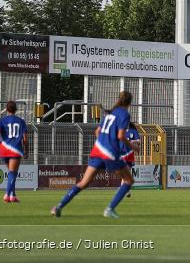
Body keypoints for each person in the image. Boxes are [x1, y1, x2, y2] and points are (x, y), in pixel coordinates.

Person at [51, 91, 135, 219]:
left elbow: (97, 132)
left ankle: (58, 207)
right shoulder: (124, 114)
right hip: (110, 152)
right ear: (129, 103)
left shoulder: (109, 113)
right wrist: (132, 146)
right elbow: (121, 136)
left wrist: (102, 143)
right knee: (129, 180)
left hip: (97, 150)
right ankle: (109, 209)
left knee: (83, 183)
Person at [0, 101, 28, 203]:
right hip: (15, 149)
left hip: (4, 148)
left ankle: (13, 195)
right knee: (13, 173)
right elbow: (25, 139)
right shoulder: (21, 121)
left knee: (10, 173)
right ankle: (7, 194)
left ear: (6, 109)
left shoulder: (2, 120)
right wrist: (27, 150)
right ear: (16, 109)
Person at [120, 122, 141, 198]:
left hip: (130, 155)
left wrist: (134, 141)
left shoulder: (133, 131)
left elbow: (139, 141)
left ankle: (125, 190)